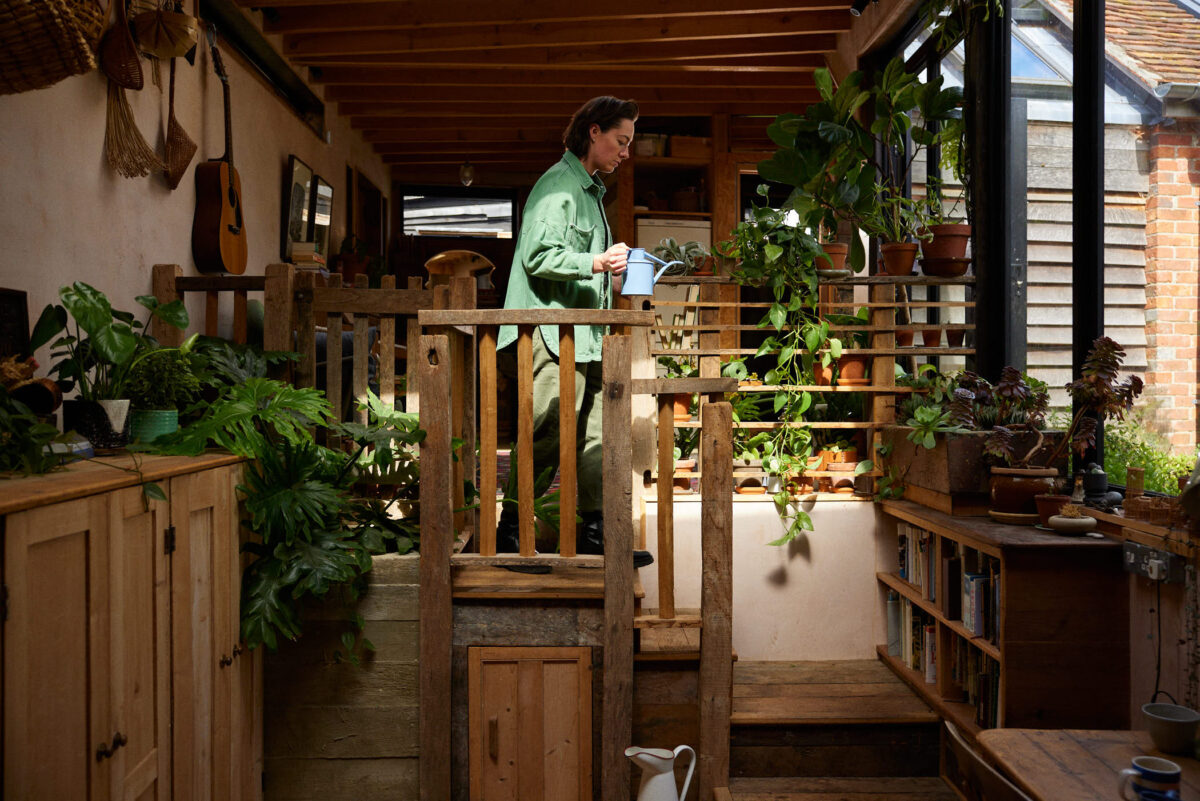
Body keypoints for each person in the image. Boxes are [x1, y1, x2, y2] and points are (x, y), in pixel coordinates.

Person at [496, 95, 651, 567]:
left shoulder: (590, 194)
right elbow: (537, 257)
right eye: (620, 141)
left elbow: (582, 267)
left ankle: (596, 535)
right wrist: (596, 260)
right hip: (550, 334)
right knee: (545, 434)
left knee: (595, 436)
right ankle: (508, 535)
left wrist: (616, 275)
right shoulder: (559, 186)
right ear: (594, 133)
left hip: (586, 337)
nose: (625, 152)